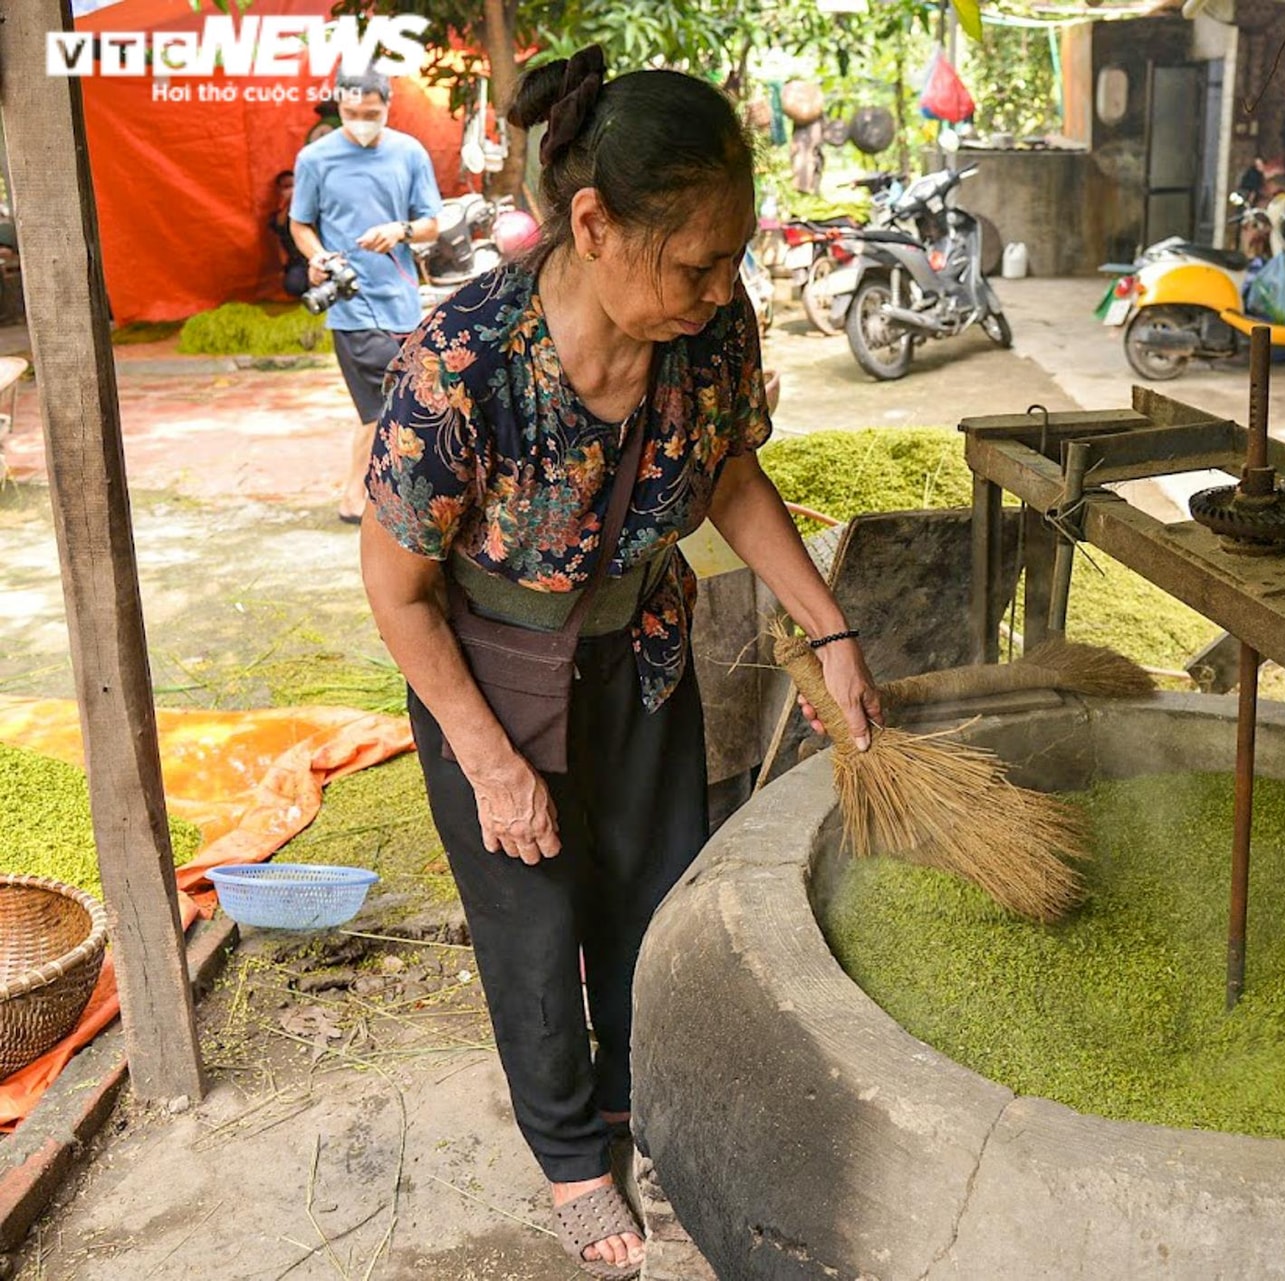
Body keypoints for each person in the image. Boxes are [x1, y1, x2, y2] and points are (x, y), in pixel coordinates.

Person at [358, 46, 882, 1279]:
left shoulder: (710, 333)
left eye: (734, 257)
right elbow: (398, 591)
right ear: (591, 223)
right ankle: (572, 1163)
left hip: (643, 650)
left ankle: (632, 1106)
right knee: (533, 926)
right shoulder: (462, 366)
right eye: (699, 260)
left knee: (650, 904)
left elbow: (730, 477)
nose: (722, 285)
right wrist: (488, 763)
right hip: (487, 673)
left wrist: (833, 627)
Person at [289, 70, 441, 524]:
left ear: (388, 106)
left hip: (403, 300)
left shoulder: (409, 153)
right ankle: (361, 499)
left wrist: (400, 230)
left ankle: (360, 495)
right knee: (385, 404)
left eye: (370, 114)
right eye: (351, 114)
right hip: (351, 303)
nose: (360, 122)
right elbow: (300, 225)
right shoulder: (316, 159)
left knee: (388, 405)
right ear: (339, 108)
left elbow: (432, 222)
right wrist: (318, 258)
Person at [267, 169, 308, 300]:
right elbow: (279, 228)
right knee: (293, 286)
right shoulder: (279, 217)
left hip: (318, 257)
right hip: (299, 263)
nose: (291, 191)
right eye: (286, 187)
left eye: (293, 185)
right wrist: (287, 205)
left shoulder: (311, 208)